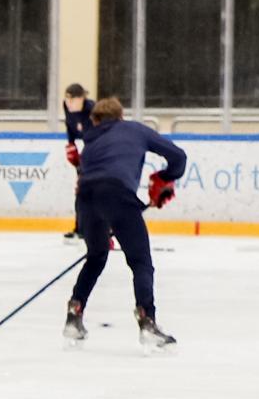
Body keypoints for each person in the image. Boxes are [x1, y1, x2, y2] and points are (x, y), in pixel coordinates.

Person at [63, 97, 187, 350]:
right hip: (117, 194)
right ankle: (147, 323)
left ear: (95, 120)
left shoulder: (91, 140)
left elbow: (93, 179)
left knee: (96, 257)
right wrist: (164, 177)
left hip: (85, 198)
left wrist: (104, 221)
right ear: (120, 117)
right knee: (140, 261)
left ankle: (73, 317)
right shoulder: (133, 129)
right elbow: (178, 156)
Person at [61, 83, 93, 241]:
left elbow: (100, 135)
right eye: (66, 99)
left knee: (96, 192)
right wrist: (71, 144)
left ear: (81, 98)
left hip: (98, 153)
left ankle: (102, 229)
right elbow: (69, 125)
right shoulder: (66, 107)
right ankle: (80, 227)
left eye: (72, 99)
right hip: (85, 152)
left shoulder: (93, 110)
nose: (68, 103)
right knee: (81, 191)